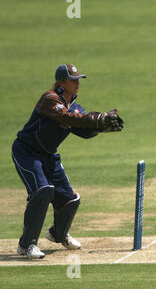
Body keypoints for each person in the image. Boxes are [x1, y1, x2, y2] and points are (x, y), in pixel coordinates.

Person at [11, 64, 124, 259]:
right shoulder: (50, 99)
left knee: (70, 199)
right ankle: (26, 245)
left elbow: (83, 130)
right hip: (27, 153)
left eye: (78, 79)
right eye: (73, 80)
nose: (77, 83)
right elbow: (65, 117)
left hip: (49, 155)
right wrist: (96, 119)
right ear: (61, 82)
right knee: (42, 191)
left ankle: (58, 234)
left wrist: (101, 127)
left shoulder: (75, 107)